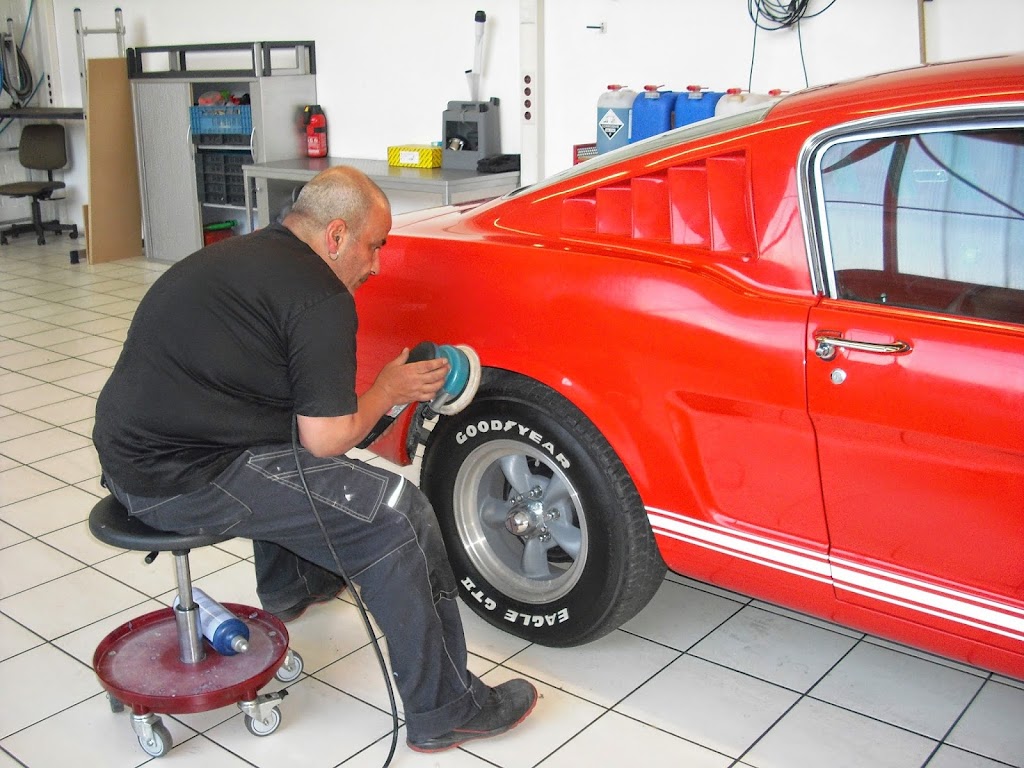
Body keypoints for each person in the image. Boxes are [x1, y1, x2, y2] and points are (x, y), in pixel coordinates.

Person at [92, 166, 538, 752]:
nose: (376, 265)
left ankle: (294, 587)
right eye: (373, 246)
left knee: (289, 452)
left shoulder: (242, 256)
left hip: (130, 457)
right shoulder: (319, 297)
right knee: (397, 513)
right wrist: (388, 389)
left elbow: (292, 420)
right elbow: (327, 440)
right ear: (335, 236)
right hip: (179, 480)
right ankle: (446, 708)